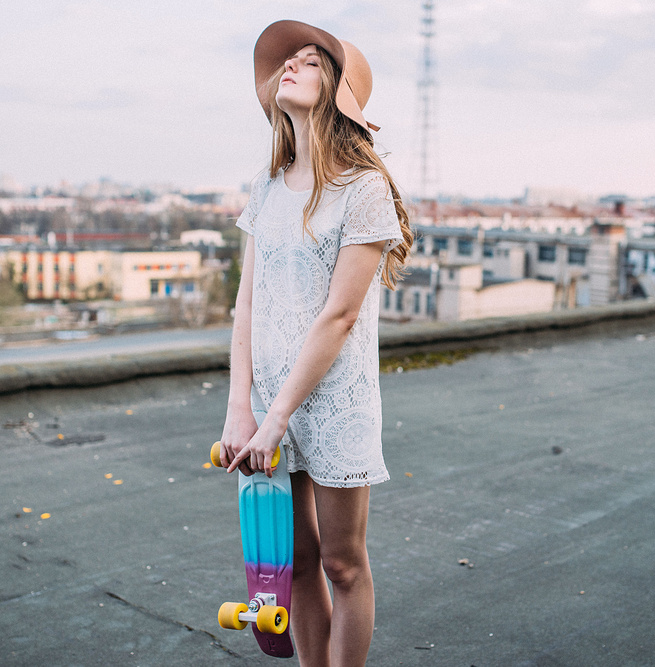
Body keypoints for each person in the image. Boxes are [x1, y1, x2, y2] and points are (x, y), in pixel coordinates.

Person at [217, 19, 413, 667]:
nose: (291, 66)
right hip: (269, 399)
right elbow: (248, 302)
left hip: (333, 404)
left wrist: (274, 421)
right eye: (288, 60)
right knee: (294, 560)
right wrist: (239, 408)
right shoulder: (269, 186)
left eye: (311, 61)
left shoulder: (362, 190)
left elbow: (338, 316)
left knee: (341, 562)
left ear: (338, 91)